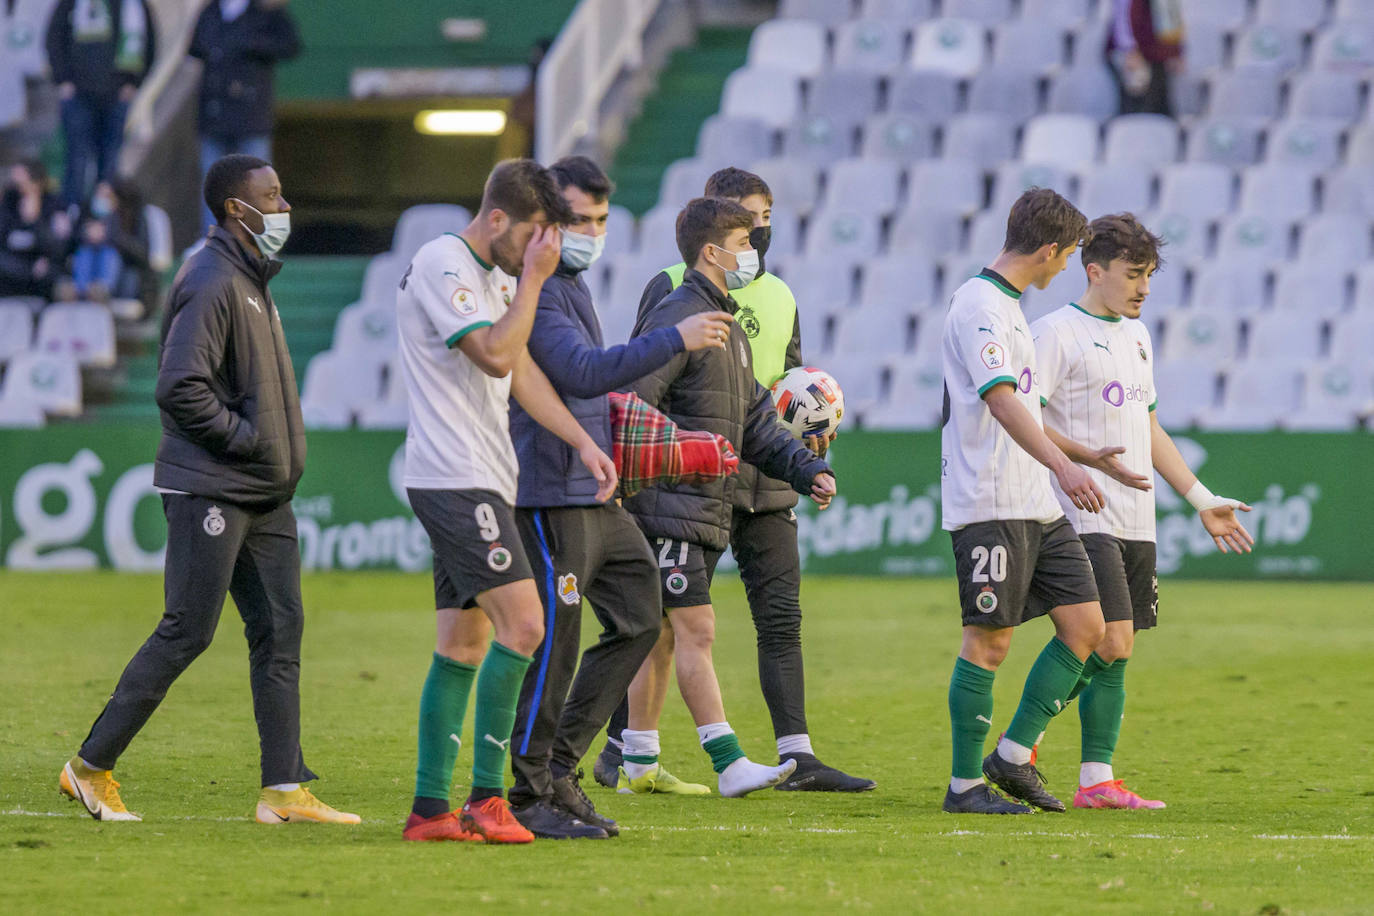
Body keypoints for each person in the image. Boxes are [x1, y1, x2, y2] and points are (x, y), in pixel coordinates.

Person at [60, 154, 357, 826]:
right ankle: (87, 768)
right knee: (187, 631)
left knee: (280, 630)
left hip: (265, 494)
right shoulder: (211, 277)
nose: (284, 208)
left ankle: (283, 790)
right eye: (272, 196)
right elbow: (179, 388)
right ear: (235, 207)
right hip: (214, 489)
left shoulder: (252, 277)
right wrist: (250, 440)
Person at [593, 167, 873, 793]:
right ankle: (717, 762)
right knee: (685, 626)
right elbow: (633, 401)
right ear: (714, 248)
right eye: (748, 233)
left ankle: (638, 760)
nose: (758, 245)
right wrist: (677, 456)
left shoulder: (736, 314)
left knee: (676, 627)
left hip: (722, 490)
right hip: (675, 495)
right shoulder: (676, 307)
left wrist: (809, 466)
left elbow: (756, 411)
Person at [503, 156, 735, 838]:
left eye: (601, 220)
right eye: (579, 219)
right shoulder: (539, 289)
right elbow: (578, 371)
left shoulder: (571, 285)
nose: (591, 232)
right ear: (546, 222)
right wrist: (673, 338)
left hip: (593, 489)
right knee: (556, 641)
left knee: (640, 616)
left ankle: (560, 768)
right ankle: (528, 791)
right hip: (547, 489)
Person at [395, 158, 624, 845]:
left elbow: (521, 373)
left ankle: (430, 811)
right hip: (455, 477)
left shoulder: (496, 274)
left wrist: (583, 442)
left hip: (484, 476)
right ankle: (490, 799)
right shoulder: (445, 263)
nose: (539, 252)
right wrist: (530, 282)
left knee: (463, 644)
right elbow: (495, 353)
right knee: (525, 627)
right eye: (533, 236)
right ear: (497, 218)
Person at [1032, 212, 1253, 809]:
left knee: (1118, 645)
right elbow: (1027, 415)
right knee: (1109, 636)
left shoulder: (1137, 336)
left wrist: (1201, 499)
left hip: (1135, 513)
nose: (1144, 288)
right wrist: (1070, 465)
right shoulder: (1055, 333)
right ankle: (1016, 748)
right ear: (1094, 269)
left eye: (1150, 275)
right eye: (1134, 275)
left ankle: (1093, 779)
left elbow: (1148, 426)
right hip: (1080, 509)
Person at [940, 187, 1149, 815]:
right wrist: (1062, 463)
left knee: (1092, 629)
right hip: (990, 498)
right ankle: (963, 786)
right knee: (990, 640)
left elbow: (1025, 405)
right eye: (1065, 258)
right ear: (1051, 249)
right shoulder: (979, 305)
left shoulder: (1010, 309)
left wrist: (1080, 455)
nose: (1064, 270)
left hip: (1037, 501)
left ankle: (1009, 758)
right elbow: (1001, 400)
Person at [189, 0, 301, 229]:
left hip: (251, 117)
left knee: (258, 183)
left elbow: (290, 45)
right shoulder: (211, 12)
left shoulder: (265, 11)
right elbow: (196, 47)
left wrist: (250, 44)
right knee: (214, 184)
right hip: (215, 115)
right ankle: (215, 240)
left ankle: (260, 239)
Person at [45, 0, 157, 208]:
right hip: (79, 94)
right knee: (77, 159)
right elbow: (54, 36)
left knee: (109, 163)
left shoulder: (135, 4)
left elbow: (149, 44)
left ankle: (102, 220)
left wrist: (134, 83)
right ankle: (72, 214)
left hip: (116, 96)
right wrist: (63, 80)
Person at [58, 178, 153, 313]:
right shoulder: (87, 215)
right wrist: (85, 235)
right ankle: (79, 290)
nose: (102, 199)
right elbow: (67, 248)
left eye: (107, 196)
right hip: (85, 272)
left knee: (109, 252)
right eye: (99, 194)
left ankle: (101, 290)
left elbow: (142, 254)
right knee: (85, 251)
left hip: (122, 277)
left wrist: (111, 236)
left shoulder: (133, 218)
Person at [0, 160, 71, 301]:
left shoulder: (54, 204)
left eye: (21, 179)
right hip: (15, 267)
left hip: (42, 266)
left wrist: (35, 222)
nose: (16, 183)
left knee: (53, 270)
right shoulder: (9, 200)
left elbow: (58, 249)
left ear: (37, 182)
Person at [1106, 0, 1184, 118]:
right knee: (1136, 112)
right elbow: (1122, 12)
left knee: (1159, 109)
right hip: (1137, 56)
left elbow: (1170, 11)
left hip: (1158, 55)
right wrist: (1129, 49)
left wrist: (1175, 51)